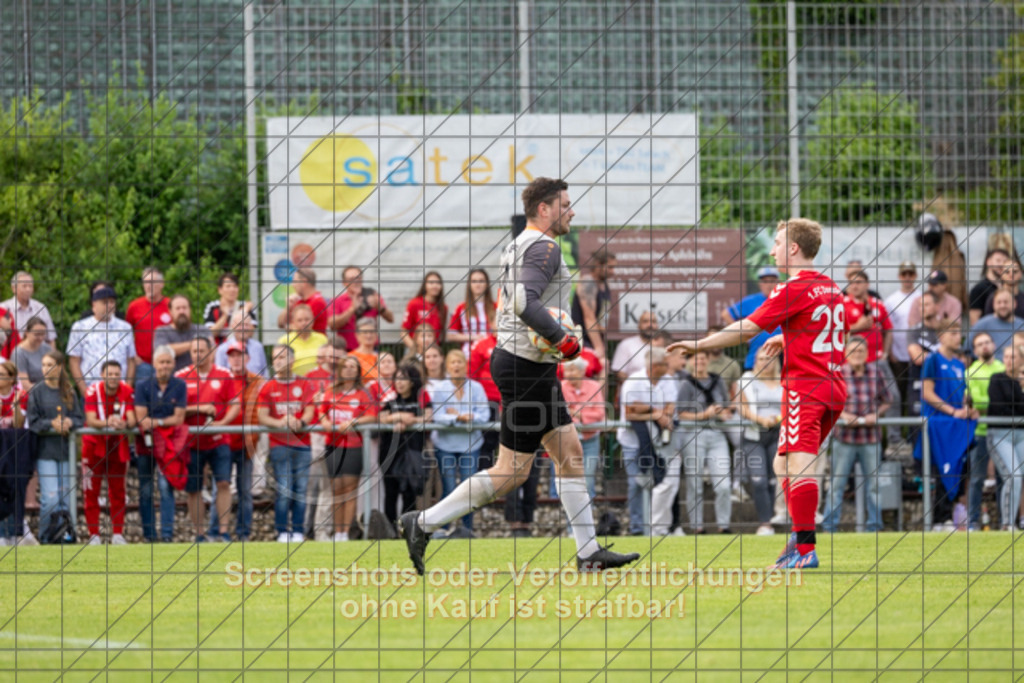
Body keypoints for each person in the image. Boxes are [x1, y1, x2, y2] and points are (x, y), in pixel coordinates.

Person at [400, 177, 639, 573]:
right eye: (565, 204)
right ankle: (422, 522)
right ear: (544, 209)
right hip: (526, 367)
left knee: (568, 455)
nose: (572, 211)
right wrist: (563, 340)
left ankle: (588, 552)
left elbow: (520, 304)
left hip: (522, 364)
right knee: (513, 471)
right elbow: (527, 303)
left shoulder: (520, 244)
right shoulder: (543, 246)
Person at [668, 217, 849, 570]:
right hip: (833, 387)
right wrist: (789, 337)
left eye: (778, 243)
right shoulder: (830, 288)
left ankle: (805, 551)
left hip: (805, 387)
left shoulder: (791, 288)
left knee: (797, 464)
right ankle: (799, 542)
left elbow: (746, 329)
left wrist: (699, 343)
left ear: (793, 248)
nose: (772, 250)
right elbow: (821, 330)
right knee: (783, 462)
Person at [822, 337, 893, 533]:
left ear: (867, 354)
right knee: (837, 485)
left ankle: (874, 527)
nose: (857, 354)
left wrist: (875, 415)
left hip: (870, 438)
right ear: (845, 354)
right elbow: (828, 402)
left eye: (861, 351)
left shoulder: (876, 373)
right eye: (852, 351)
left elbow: (888, 400)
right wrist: (845, 416)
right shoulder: (838, 374)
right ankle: (829, 527)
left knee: (874, 486)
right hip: (844, 438)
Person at [177, 337, 240, 542]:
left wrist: (223, 424)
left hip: (219, 440)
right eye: (194, 351)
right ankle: (199, 533)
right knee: (194, 488)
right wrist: (200, 409)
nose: (197, 354)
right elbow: (173, 409)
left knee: (223, 483)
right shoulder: (180, 377)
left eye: (201, 350)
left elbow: (236, 404)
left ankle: (223, 531)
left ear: (211, 352)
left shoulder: (224, 375)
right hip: (191, 442)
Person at [917, 324, 978, 528]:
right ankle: (939, 519)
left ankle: (951, 516)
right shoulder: (932, 360)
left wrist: (969, 408)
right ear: (941, 336)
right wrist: (952, 412)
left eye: (959, 333)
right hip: (939, 425)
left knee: (960, 467)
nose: (957, 337)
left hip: (956, 426)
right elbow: (927, 392)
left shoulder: (960, 365)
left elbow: (962, 395)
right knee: (942, 470)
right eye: (953, 333)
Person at [428, 349, 489, 537]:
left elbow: (484, 415)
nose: (456, 365)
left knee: (468, 488)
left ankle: (467, 530)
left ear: (465, 365)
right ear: (447, 366)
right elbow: (438, 416)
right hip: (445, 445)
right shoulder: (440, 389)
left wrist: (463, 416)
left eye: (459, 362)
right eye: (452, 362)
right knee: (448, 488)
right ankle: (444, 530)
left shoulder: (477, 388)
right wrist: (458, 418)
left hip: (470, 445)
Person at [258, 344, 316, 543]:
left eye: (282, 357)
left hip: (303, 444)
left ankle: (298, 531)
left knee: (300, 489)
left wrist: (301, 422)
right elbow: (262, 416)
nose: (279, 361)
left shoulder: (305, 384)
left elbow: (310, 410)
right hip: (279, 445)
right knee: (284, 489)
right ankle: (282, 531)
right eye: (275, 358)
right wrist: (280, 423)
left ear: (292, 360)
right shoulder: (267, 387)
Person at [27, 351, 84, 543]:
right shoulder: (37, 391)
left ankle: (66, 536)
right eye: (43, 365)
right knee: (50, 500)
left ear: (59, 368)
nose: (45, 369)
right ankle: (46, 538)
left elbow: (79, 418)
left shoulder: (69, 392)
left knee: (66, 500)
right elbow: (33, 422)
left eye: (49, 364)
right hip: (45, 453)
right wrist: (51, 424)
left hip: (66, 453)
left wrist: (69, 422)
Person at [208, 341, 262, 541]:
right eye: (232, 356)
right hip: (223, 444)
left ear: (247, 358)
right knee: (219, 489)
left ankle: (243, 533)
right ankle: (216, 532)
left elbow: (257, 413)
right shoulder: (221, 379)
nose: (236, 359)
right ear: (227, 359)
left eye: (240, 355)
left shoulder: (257, 381)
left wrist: (251, 440)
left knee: (245, 492)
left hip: (246, 445)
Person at [133, 345, 189, 543]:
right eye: (161, 362)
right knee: (146, 489)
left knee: (166, 487)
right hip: (146, 444)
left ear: (173, 364)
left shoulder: (180, 386)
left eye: (168, 362)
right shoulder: (142, 386)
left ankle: (167, 534)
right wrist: (157, 422)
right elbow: (141, 417)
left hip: (169, 445)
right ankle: (149, 534)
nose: (164, 366)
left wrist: (157, 422)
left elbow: (179, 418)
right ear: (154, 364)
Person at [318, 355, 376, 541]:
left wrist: (354, 421)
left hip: (354, 446)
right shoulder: (330, 392)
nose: (349, 370)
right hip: (333, 445)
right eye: (346, 366)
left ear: (358, 371)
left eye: (353, 367)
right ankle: (337, 531)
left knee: (350, 490)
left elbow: (372, 416)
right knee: (336, 490)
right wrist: (325, 421)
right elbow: (321, 411)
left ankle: (345, 533)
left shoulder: (363, 393)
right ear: (340, 370)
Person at [676, 349, 733, 535]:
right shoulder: (685, 384)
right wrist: (704, 414)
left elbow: (727, 406)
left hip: (717, 433)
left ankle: (724, 525)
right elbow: (680, 413)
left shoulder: (718, 381)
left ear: (708, 360)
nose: (700, 361)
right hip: (693, 434)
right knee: (695, 483)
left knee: (723, 484)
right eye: (696, 358)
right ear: (690, 362)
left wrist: (724, 413)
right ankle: (697, 526)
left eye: (703, 357)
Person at [81, 360, 136, 545]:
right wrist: (109, 423)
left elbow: (131, 418)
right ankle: (94, 534)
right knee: (91, 490)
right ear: (102, 375)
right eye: (109, 374)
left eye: (116, 374)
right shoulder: (92, 391)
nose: (113, 378)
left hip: (116, 445)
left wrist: (124, 424)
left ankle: (118, 533)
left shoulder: (126, 390)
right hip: (93, 446)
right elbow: (91, 420)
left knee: (118, 490)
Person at [378, 363, 433, 528]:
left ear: (412, 381)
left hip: (413, 453)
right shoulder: (391, 401)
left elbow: (428, 417)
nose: (400, 382)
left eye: (404, 378)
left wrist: (411, 421)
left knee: (410, 493)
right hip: (390, 453)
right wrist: (399, 416)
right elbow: (381, 418)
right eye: (397, 378)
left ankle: (407, 529)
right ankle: (390, 530)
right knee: (390, 492)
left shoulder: (421, 400)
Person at [738, 347, 783, 536]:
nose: (766, 363)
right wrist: (761, 420)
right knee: (758, 480)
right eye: (762, 359)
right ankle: (764, 523)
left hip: (778, 433)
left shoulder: (784, 380)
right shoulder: (747, 379)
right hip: (754, 435)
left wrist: (779, 418)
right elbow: (741, 407)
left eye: (770, 359)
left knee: (774, 480)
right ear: (755, 361)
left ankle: (769, 520)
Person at [67, 285, 137, 396]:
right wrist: (84, 391)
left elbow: (131, 360)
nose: (109, 305)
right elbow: (74, 361)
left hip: (119, 390)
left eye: (112, 302)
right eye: (104, 302)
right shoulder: (80, 327)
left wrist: (127, 388)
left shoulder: (125, 328)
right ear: (94, 305)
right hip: (92, 390)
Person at [966, 332, 1004, 531]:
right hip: (980, 432)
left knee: (1003, 477)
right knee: (978, 478)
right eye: (980, 344)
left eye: (987, 342)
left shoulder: (1003, 367)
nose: (984, 346)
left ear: (994, 344)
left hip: (1001, 431)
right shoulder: (971, 372)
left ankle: (1005, 520)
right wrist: (1001, 404)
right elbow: (976, 401)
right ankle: (972, 521)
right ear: (975, 350)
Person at [986, 343, 1024, 531]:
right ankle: (1007, 523)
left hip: (1021, 434)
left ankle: (1016, 520)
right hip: (1000, 433)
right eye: (1006, 357)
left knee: (1019, 477)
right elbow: (999, 407)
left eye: (1013, 357)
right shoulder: (997, 379)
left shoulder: (1021, 382)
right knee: (1013, 476)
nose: (1009, 361)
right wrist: (1018, 408)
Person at [560, 356, 606, 499]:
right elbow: (561, 414)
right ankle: (571, 521)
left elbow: (599, 413)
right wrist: (582, 414)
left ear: (582, 371)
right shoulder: (561, 386)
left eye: (572, 370)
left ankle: (586, 520)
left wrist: (578, 413)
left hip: (590, 439)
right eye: (566, 370)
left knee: (588, 481)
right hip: (568, 440)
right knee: (570, 481)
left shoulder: (594, 387)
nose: (569, 374)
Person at [723, 266, 782, 371]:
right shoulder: (752, 301)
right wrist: (743, 336)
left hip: (783, 354)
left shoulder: (785, 299)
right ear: (760, 284)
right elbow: (726, 314)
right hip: (756, 355)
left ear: (778, 282)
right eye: (765, 281)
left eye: (772, 281)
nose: (769, 284)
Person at [327, 265, 393, 352]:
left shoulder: (373, 296)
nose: (356, 282)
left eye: (358, 278)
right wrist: (352, 309)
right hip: (347, 350)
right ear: (344, 283)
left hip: (371, 349)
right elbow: (332, 325)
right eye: (351, 279)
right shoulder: (337, 300)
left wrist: (380, 307)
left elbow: (390, 319)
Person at [884, 261, 920, 419]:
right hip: (898, 356)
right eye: (904, 274)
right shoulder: (891, 301)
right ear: (899, 276)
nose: (907, 277)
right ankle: (897, 436)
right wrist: (890, 352)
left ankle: (913, 435)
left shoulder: (921, 298)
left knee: (915, 398)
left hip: (918, 356)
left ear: (915, 276)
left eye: (910, 274)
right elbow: (887, 329)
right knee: (897, 397)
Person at [124, 267, 171, 383]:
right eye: (146, 282)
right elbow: (125, 335)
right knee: (144, 399)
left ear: (162, 284)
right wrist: (133, 356)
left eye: (153, 282)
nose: (149, 285)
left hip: (167, 363)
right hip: (143, 364)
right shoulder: (134, 306)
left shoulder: (171, 305)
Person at [570, 249, 615, 359]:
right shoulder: (587, 282)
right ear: (598, 265)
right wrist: (598, 347)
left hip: (593, 340)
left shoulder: (605, 285)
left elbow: (601, 319)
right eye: (610, 267)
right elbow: (589, 318)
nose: (613, 272)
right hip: (581, 342)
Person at [467, 332, 501, 470]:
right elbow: (472, 374)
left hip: (512, 401)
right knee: (488, 445)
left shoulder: (518, 343)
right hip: (488, 402)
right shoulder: (481, 345)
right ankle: (485, 484)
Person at [154, 295, 214, 372]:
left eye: (184, 308)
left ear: (190, 310)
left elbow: (211, 353)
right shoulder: (162, 331)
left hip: (199, 377)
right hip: (172, 379)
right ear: (170, 311)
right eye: (178, 308)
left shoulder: (203, 330)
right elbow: (162, 352)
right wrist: (195, 344)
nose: (181, 311)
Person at [448, 268, 497, 356]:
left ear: (487, 284)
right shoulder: (461, 308)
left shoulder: (495, 307)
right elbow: (451, 335)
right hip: (469, 355)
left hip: (491, 354)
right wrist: (474, 337)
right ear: (469, 285)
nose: (478, 284)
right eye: (474, 281)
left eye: (481, 281)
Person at [1, 271, 56, 343]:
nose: (28, 289)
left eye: (30, 286)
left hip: (38, 352)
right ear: (14, 288)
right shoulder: (3, 308)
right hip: (10, 352)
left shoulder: (41, 308)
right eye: (24, 286)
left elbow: (51, 339)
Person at [402, 271, 448, 355]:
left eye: (438, 283)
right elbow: (403, 331)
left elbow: (441, 333)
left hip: (433, 353)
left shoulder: (443, 308)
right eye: (431, 283)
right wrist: (415, 348)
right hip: (415, 351)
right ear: (425, 285)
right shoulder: (414, 303)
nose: (435, 286)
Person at [204, 272, 257, 344]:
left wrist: (244, 311)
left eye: (235, 286)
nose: (232, 289)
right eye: (228, 286)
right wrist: (225, 316)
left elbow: (250, 333)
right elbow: (211, 333)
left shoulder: (246, 306)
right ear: (220, 290)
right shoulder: (212, 307)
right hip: (218, 352)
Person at [277, 304, 328, 377]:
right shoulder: (284, 341)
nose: (304, 323)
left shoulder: (323, 339)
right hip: (293, 383)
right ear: (293, 322)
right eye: (299, 320)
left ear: (313, 320)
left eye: (307, 319)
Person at [213, 309, 268, 378]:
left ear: (251, 327)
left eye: (246, 325)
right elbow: (218, 376)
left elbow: (265, 374)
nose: (243, 328)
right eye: (239, 325)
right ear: (233, 326)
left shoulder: (258, 347)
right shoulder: (222, 349)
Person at [971, 288, 1024, 355]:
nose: (1002, 305)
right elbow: (967, 351)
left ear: (1014, 304)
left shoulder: (1022, 325)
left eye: (1006, 302)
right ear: (993, 305)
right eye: (999, 302)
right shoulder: (982, 325)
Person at [276, 267, 329, 334]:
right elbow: (280, 324)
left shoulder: (318, 302)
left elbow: (299, 328)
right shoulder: (299, 301)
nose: (293, 285)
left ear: (304, 282)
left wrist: (287, 326)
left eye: (295, 281)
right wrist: (287, 307)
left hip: (315, 344)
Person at [610, 310, 658, 384]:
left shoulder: (663, 347)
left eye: (653, 322)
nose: (650, 325)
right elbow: (620, 373)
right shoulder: (626, 345)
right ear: (639, 325)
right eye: (645, 321)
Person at [969, 249, 1010, 326]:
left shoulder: (1009, 288)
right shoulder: (979, 289)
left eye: (1005, 261)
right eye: (998, 260)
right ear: (988, 262)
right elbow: (974, 322)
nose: (1001, 264)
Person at [14, 316, 52, 390]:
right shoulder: (19, 353)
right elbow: (24, 384)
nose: (40, 338)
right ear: (27, 333)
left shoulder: (47, 349)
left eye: (43, 334)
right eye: (37, 334)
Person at [349, 318, 381, 383]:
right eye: (365, 332)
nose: (369, 335)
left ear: (376, 335)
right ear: (357, 335)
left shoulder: (381, 358)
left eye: (372, 332)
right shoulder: (350, 358)